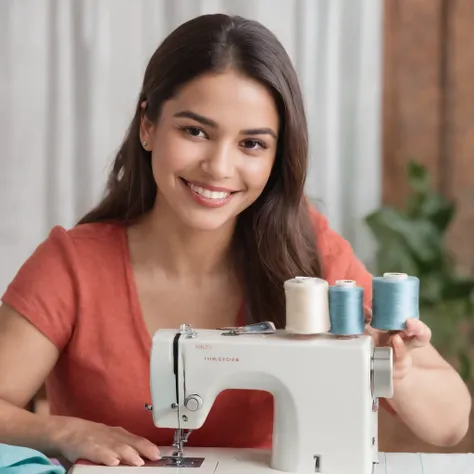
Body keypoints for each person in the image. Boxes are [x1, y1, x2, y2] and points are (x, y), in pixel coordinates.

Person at [0, 13, 470, 468]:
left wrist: (398, 370)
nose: (219, 168)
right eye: (195, 131)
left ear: (276, 154)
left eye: (252, 144)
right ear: (148, 126)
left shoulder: (309, 255)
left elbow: (450, 424)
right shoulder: (73, 267)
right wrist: (66, 432)